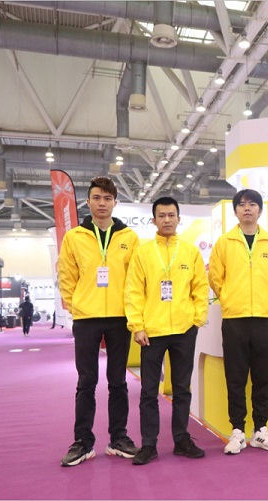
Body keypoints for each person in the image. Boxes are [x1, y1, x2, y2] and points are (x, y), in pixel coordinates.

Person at [58, 176, 140, 466]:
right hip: (87, 318)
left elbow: (136, 279)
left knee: (118, 381)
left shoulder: (129, 237)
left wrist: (133, 313)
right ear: (88, 201)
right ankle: (83, 442)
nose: (102, 203)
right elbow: (66, 276)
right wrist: (77, 306)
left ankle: (119, 438)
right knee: (86, 382)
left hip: (119, 317)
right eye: (96, 198)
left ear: (115, 202)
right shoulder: (74, 237)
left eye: (107, 198)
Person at [125, 196, 209, 465]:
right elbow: (134, 291)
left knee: (182, 388)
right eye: (161, 216)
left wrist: (196, 319)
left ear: (179, 219)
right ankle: (148, 444)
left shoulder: (190, 252)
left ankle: (182, 439)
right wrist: (137, 326)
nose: (167, 220)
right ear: (154, 220)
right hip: (152, 331)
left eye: (171, 215)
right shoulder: (143, 253)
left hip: (184, 329)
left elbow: (200, 288)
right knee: (149, 391)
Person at [209, 189, 268, 455]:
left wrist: (264, 298)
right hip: (235, 319)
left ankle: (260, 430)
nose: (247, 209)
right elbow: (216, 278)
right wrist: (231, 299)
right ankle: (238, 431)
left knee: (263, 377)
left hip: (266, 319)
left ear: (260, 210)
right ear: (236, 211)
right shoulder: (224, 242)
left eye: (253, 204)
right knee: (236, 378)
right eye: (242, 205)